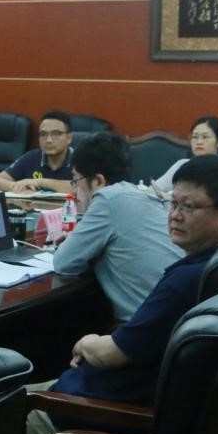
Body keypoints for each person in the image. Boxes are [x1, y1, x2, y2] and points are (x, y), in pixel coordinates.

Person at [26, 154, 218, 434]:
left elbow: (111, 354)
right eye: (173, 203)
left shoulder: (185, 282)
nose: (175, 215)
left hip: (92, 413)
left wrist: (88, 342)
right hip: (102, 393)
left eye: (189, 207)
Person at [50, 132, 182, 324]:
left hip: (148, 329)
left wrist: (74, 243)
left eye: (76, 181)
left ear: (98, 181)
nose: (74, 190)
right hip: (177, 318)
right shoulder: (141, 194)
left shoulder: (108, 199)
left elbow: (64, 263)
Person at [151, 115, 218, 205]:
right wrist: (169, 198)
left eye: (205, 137)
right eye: (195, 137)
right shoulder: (182, 165)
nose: (199, 142)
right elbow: (152, 190)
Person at [0, 110, 75, 194]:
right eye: (43, 134)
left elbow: (80, 187)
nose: (48, 140)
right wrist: (17, 186)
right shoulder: (32, 157)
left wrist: (39, 182)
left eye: (55, 134)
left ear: (69, 138)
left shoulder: (79, 159)